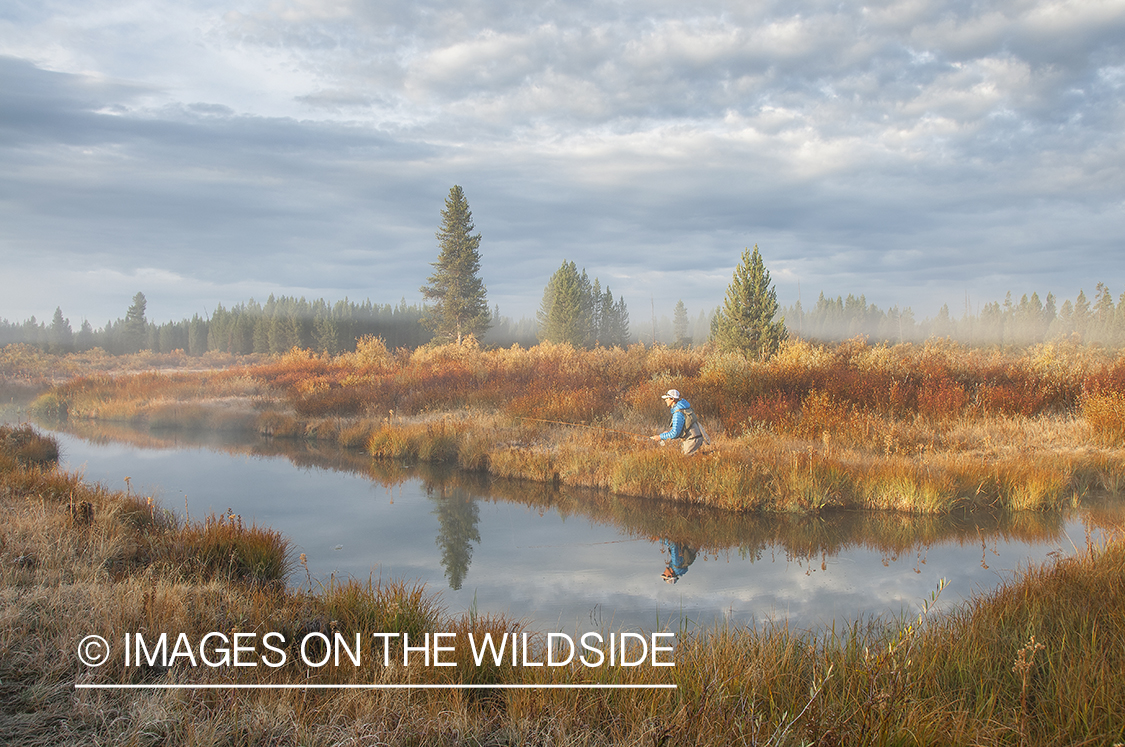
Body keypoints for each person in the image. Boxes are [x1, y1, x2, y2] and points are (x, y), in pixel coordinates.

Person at [650, 389, 707, 456]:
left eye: (667, 398)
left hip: (692, 440)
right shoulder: (682, 408)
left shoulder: (678, 413)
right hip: (695, 439)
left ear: (672, 399)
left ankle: (711, 455)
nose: (665, 400)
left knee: (685, 461)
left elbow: (675, 433)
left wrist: (660, 437)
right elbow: (680, 428)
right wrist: (668, 432)